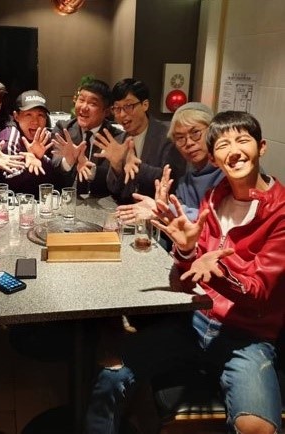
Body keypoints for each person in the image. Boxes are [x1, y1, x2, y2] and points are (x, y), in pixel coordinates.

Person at [85, 111, 285, 434]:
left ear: (261, 147)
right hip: (195, 322)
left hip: (247, 337)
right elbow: (189, 274)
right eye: (223, 145)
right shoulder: (214, 197)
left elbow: (259, 292)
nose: (234, 151)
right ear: (215, 158)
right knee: (111, 373)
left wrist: (215, 271)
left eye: (242, 140)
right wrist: (187, 251)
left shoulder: (280, 212)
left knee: (255, 426)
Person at [117, 102, 224, 225]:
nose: (189, 143)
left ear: (213, 132)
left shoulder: (227, 173)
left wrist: (166, 209)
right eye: (180, 138)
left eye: (195, 133)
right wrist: (162, 208)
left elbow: (218, 220)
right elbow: (180, 222)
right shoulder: (185, 182)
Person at [104, 78, 186, 203]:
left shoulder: (168, 135)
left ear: (145, 105)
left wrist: (137, 167)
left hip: (156, 209)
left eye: (128, 106)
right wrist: (116, 167)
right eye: (117, 108)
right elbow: (114, 189)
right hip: (127, 209)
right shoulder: (119, 140)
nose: (122, 114)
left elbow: (170, 179)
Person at [52, 78, 125, 197]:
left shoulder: (116, 138)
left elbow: (118, 180)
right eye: (81, 100)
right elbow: (54, 162)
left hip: (102, 202)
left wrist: (92, 170)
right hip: (65, 201)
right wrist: (68, 161)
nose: (84, 107)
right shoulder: (63, 128)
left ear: (107, 111)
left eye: (93, 104)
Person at [0, 90, 58, 196]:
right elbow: (9, 183)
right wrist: (30, 163)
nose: (35, 121)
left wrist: (40, 159)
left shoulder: (48, 137)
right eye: (28, 114)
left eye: (40, 115)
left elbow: (57, 179)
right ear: (16, 116)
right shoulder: (9, 138)